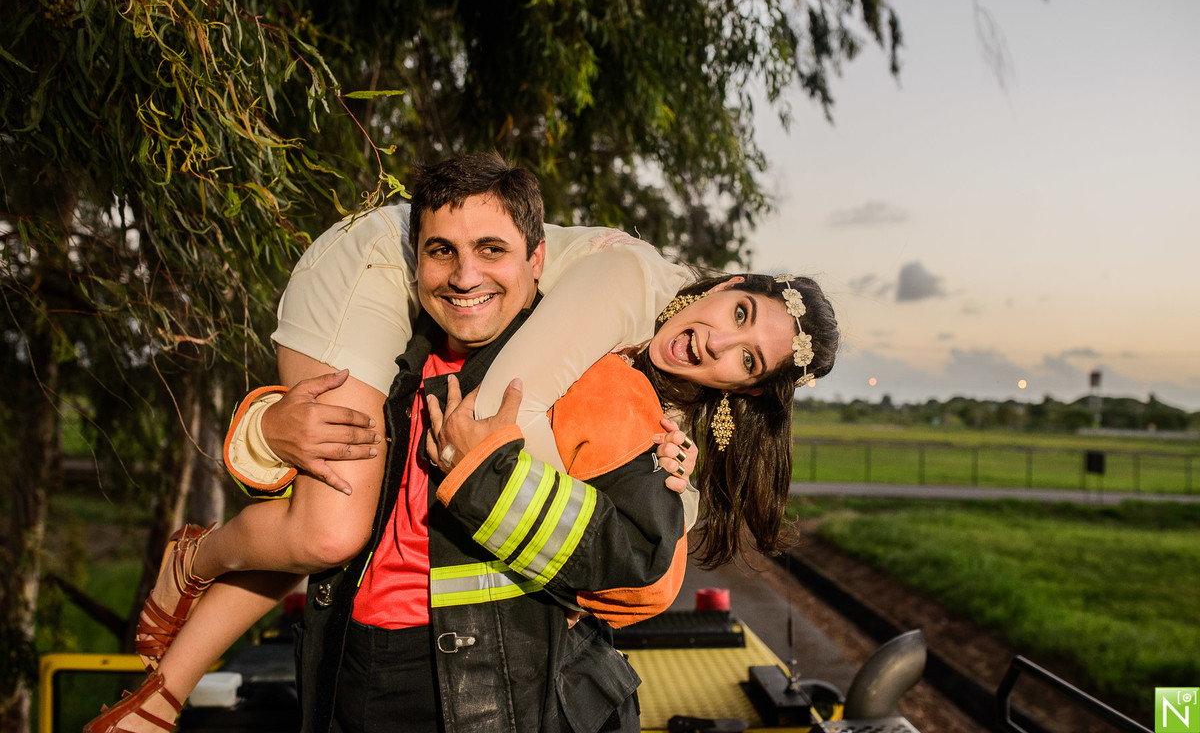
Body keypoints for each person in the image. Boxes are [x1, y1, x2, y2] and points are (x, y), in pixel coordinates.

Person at [86, 153, 838, 733]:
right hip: (391, 254)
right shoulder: (624, 281)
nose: (716, 343)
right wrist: (570, 557)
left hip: (462, 267)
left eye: (747, 359)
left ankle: (166, 687)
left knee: (330, 532)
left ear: (746, 391)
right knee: (330, 528)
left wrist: (681, 483)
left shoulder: (669, 374)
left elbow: (649, 554)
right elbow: (494, 410)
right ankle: (194, 561)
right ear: (727, 281)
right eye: (739, 311)